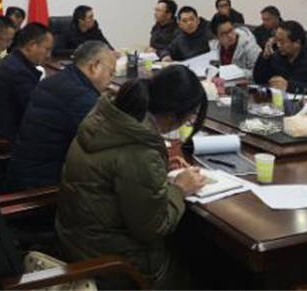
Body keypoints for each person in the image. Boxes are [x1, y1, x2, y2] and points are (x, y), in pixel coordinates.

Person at [56, 65, 209, 288]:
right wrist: (179, 189)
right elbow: (154, 228)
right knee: (203, 264)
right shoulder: (140, 150)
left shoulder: (108, 117)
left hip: (76, 242)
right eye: (190, 116)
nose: (189, 122)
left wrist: (159, 171)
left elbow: (116, 171)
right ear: (172, 116)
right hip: (115, 266)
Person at [5, 41, 116, 191]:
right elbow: (103, 143)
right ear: (94, 66)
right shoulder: (80, 97)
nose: (111, 80)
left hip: (22, 172)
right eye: (110, 73)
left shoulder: (55, 81)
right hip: (44, 186)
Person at [0, 22, 54, 142]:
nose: (49, 55)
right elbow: (34, 111)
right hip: (5, 138)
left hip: (0, 128)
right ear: (31, 45)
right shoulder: (18, 72)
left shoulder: (14, 59)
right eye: (47, 49)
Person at [253, 19, 307, 95]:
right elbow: (259, 80)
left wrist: (290, 86)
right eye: (277, 40)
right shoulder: (278, 55)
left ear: (297, 43)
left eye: (282, 42)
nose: (278, 45)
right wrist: (264, 58)